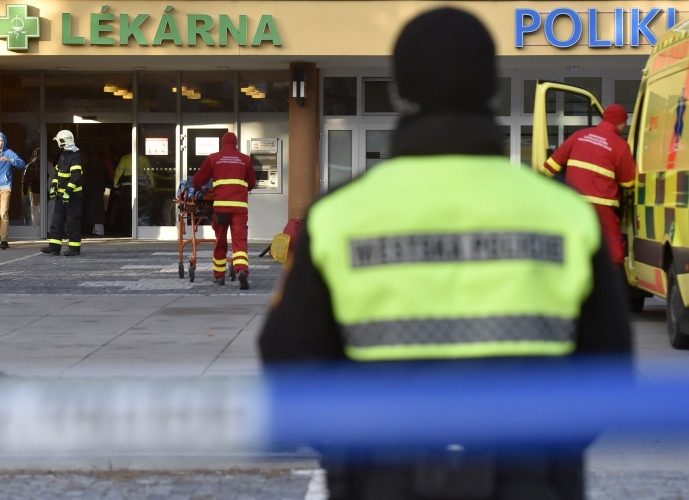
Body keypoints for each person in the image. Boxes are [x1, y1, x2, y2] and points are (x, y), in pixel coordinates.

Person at [259, 8, 632, 500]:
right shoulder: (566, 215)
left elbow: (287, 358)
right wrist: (547, 455)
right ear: (492, 90)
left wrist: (352, 450)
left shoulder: (336, 218)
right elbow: (610, 368)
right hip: (531, 478)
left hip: (380, 479)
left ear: (398, 93)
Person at [541, 104, 636, 268]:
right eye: (625, 122)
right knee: (612, 247)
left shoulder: (579, 136)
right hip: (603, 206)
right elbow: (629, 183)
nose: (626, 126)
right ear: (620, 122)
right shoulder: (620, 145)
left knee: (575, 244)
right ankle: (610, 279)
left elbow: (548, 168)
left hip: (574, 204)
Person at [192, 132, 255, 290]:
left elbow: (198, 180)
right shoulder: (245, 159)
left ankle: (219, 276)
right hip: (239, 207)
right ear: (236, 143)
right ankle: (241, 269)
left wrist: (198, 190)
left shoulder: (214, 158)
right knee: (240, 239)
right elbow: (252, 182)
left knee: (220, 240)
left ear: (222, 143)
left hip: (221, 207)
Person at [41, 130, 83, 256]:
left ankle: (74, 248)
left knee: (72, 222)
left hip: (73, 197)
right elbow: (57, 173)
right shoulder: (63, 155)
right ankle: (54, 247)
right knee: (57, 221)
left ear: (63, 141)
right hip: (61, 196)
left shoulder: (76, 156)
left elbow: (76, 176)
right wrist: (53, 186)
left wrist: (68, 192)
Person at [0, 132, 25, 249]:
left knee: (3, 213)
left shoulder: (9, 152)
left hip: (5, 187)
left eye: (1, 141)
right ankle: (2, 237)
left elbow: (22, 164)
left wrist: (10, 160)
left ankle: (4, 240)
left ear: (4, 141)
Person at [112, 152, 153, 235]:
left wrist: (115, 185)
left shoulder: (125, 158)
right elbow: (149, 173)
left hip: (127, 185)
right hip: (140, 185)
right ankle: (140, 229)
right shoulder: (144, 159)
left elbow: (118, 172)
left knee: (127, 208)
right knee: (140, 208)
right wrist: (152, 185)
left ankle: (128, 230)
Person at [83, 146, 112, 237]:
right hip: (97, 190)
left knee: (96, 210)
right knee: (97, 210)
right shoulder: (99, 164)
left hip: (95, 190)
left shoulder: (95, 165)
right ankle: (96, 230)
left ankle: (98, 230)